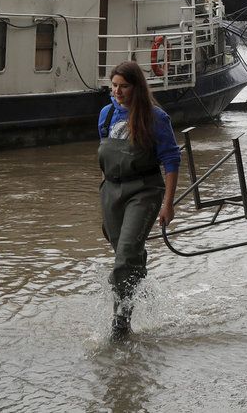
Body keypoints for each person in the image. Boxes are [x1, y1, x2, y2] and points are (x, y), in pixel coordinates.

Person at [98, 61, 180, 339]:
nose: (117, 91)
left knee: (125, 257)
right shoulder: (106, 115)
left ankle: (119, 326)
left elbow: (170, 160)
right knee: (127, 255)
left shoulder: (155, 118)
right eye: (114, 86)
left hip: (144, 189)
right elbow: (105, 153)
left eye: (124, 86)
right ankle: (137, 286)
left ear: (137, 87)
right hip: (112, 191)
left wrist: (169, 204)